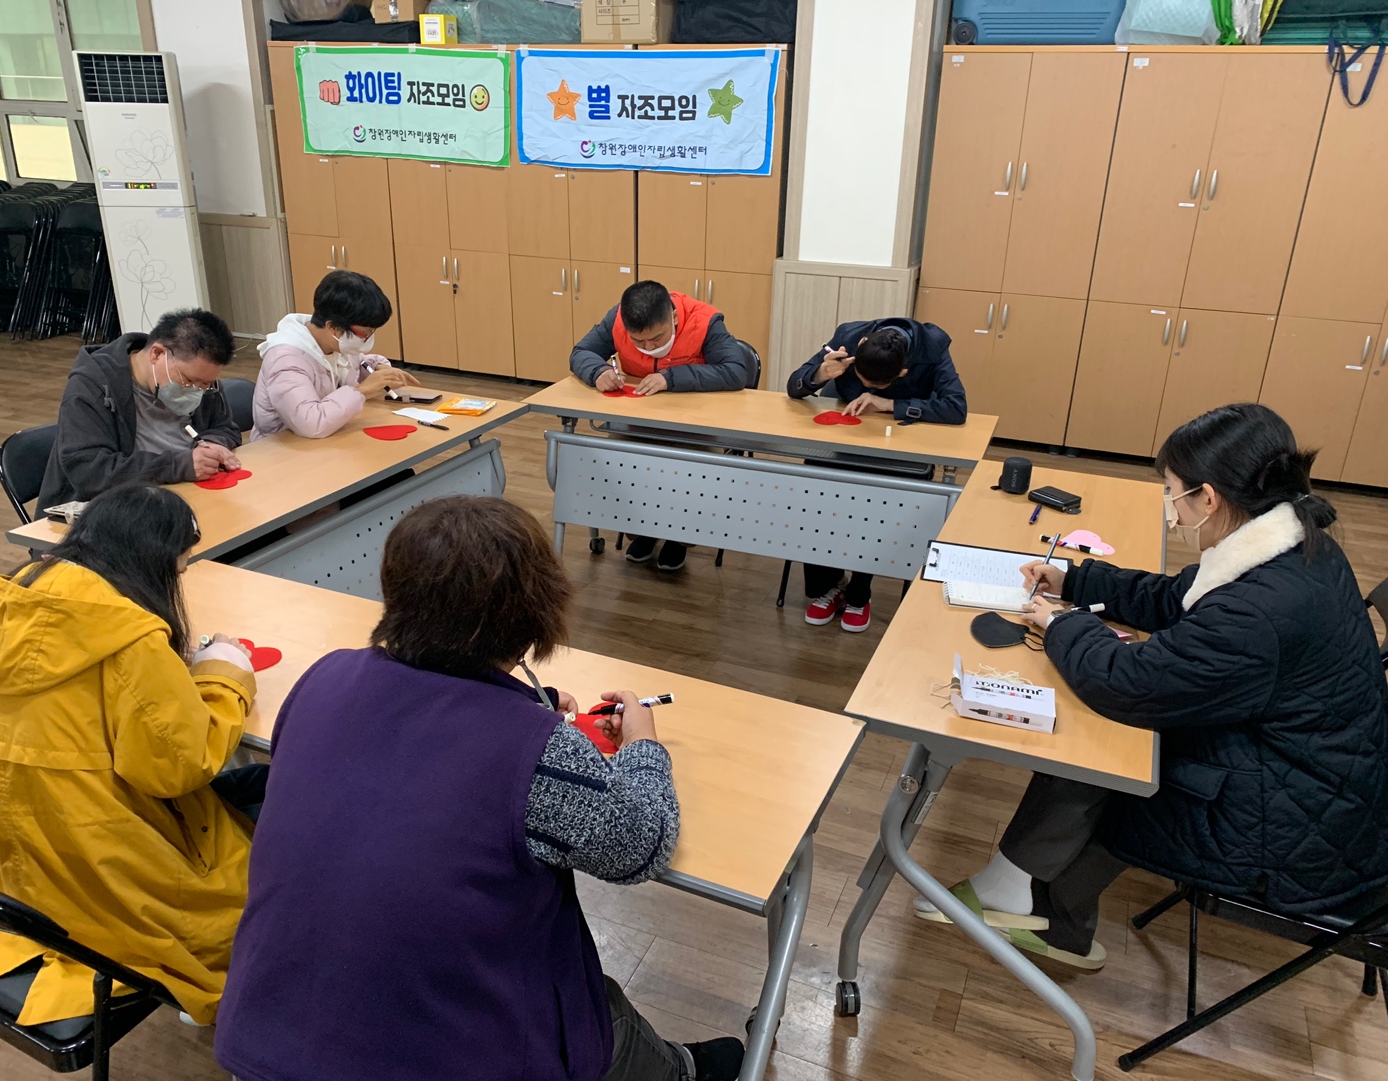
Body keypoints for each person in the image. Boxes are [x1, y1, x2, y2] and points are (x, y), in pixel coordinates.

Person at [216, 496, 745, 1081]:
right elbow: (642, 848)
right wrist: (644, 746)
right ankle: (681, 1073)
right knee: (594, 1007)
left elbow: (411, 758)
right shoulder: (540, 749)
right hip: (432, 1053)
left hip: (264, 1033)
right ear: (534, 615)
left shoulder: (324, 676)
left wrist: (519, 707)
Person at [913, 404, 1388, 969]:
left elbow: (1126, 683)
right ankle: (1043, 902)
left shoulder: (1260, 608)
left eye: (1172, 494)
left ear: (1208, 498)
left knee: (1105, 737)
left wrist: (1062, 624)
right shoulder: (1289, 545)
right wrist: (1077, 579)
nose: (1171, 509)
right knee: (1110, 727)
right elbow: (1177, 598)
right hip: (1317, 780)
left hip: (1289, 829)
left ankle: (1027, 898)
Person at [0, 484, 263, 1025]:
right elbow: (178, 766)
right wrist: (225, 673)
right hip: (109, 866)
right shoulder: (127, 636)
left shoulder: (13, 602)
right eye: (178, 569)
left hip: (31, 862)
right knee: (266, 891)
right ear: (150, 561)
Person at [785, 315, 967, 632]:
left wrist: (889, 404)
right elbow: (794, 386)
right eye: (862, 379)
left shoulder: (932, 346)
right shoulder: (849, 335)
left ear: (903, 373)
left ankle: (859, 592)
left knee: (877, 503)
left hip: (897, 449)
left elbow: (956, 407)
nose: (866, 388)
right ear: (860, 348)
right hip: (844, 439)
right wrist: (819, 374)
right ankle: (829, 586)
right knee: (815, 488)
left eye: (877, 386)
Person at [569, 279, 752, 572]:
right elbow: (581, 353)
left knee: (691, 473)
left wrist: (671, 378)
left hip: (696, 423)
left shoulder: (705, 321)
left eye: (656, 338)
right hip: (640, 420)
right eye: (638, 341)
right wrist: (598, 370)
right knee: (617, 465)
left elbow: (735, 372)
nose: (648, 347)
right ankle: (643, 531)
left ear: (674, 317)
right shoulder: (617, 319)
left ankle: (679, 538)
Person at [37, 308, 243, 514]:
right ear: (157, 354)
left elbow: (224, 427)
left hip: (187, 494)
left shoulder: (202, 381)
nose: (197, 391)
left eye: (206, 384)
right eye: (189, 381)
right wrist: (177, 465)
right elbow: (90, 471)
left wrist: (214, 444)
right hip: (113, 509)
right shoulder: (92, 386)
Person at [251, 269, 419, 439]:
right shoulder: (286, 361)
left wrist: (377, 368)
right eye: (365, 334)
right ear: (333, 328)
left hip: (329, 438)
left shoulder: (334, 343)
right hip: (283, 447)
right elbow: (311, 424)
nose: (368, 339)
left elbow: (356, 363)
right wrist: (361, 391)